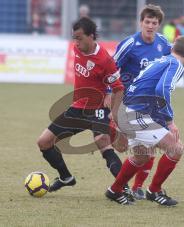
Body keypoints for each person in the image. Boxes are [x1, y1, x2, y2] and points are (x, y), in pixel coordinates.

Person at [110, 4, 184, 200]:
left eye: (154, 23)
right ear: (141, 22)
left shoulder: (164, 49)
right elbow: (160, 88)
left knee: (143, 154)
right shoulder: (131, 44)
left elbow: (180, 49)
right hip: (135, 107)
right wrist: (170, 121)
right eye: (147, 21)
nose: (150, 25)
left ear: (158, 25)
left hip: (138, 107)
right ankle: (153, 191)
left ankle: (117, 190)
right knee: (175, 148)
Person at [37, 17, 127, 193]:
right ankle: (66, 178)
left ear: (91, 36)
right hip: (77, 109)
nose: (75, 42)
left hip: (98, 111)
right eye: (74, 38)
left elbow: (119, 88)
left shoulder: (104, 60)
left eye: (79, 38)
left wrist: (114, 113)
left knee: (104, 144)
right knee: (44, 142)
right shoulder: (77, 49)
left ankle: (124, 188)